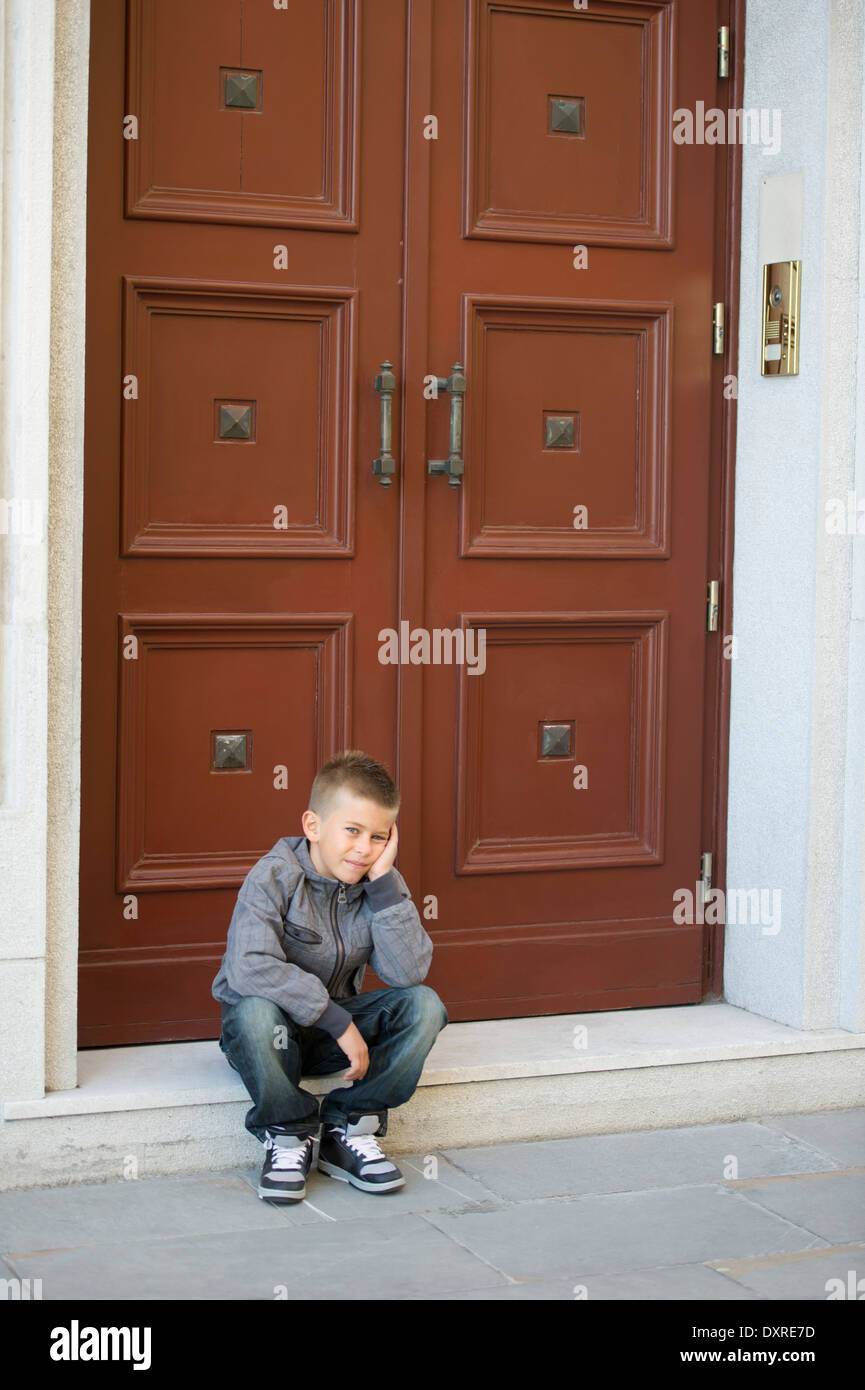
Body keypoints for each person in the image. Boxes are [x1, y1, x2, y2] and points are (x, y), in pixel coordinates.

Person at [212, 749, 448, 1203]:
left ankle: (348, 1126)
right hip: (268, 1038)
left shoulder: (378, 885)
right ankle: (286, 1132)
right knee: (256, 1011)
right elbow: (249, 966)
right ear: (313, 826)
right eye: (353, 831)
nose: (365, 849)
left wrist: (384, 885)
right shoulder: (274, 876)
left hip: (328, 1042)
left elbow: (408, 972)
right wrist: (337, 1021)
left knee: (424, 1005)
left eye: (379, 837)